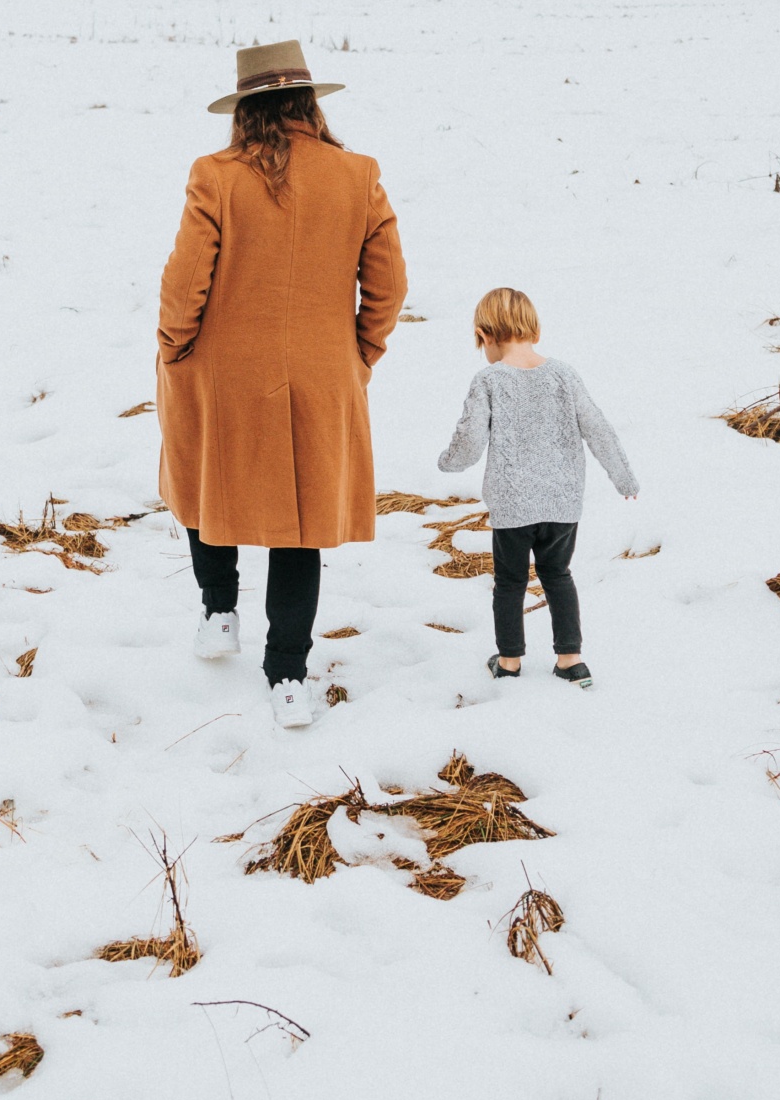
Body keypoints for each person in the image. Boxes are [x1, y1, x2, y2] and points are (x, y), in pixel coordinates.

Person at [156, 38, 407, 727]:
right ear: (309, 104)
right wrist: (358, 354)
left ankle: (219, 611)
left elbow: (185, 281)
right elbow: (389, 285)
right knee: (300, 521)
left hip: (222, 368)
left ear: (246, 109)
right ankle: (289, 675)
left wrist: (175, 348)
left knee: (207, 476)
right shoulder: (357, 175)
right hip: (322, 374)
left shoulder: (215, 175)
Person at [436, 284, 636, 690]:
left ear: (484, 334)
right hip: (562, 503)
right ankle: (571, 661)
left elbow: (470, 439)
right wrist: (624, 477)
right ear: (535, 330)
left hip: (513, 505)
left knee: (510, 582)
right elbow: (598, 428)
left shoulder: (489, 380)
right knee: (557, 574)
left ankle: (509, 661)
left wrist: (449, 461)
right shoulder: (563, 374)